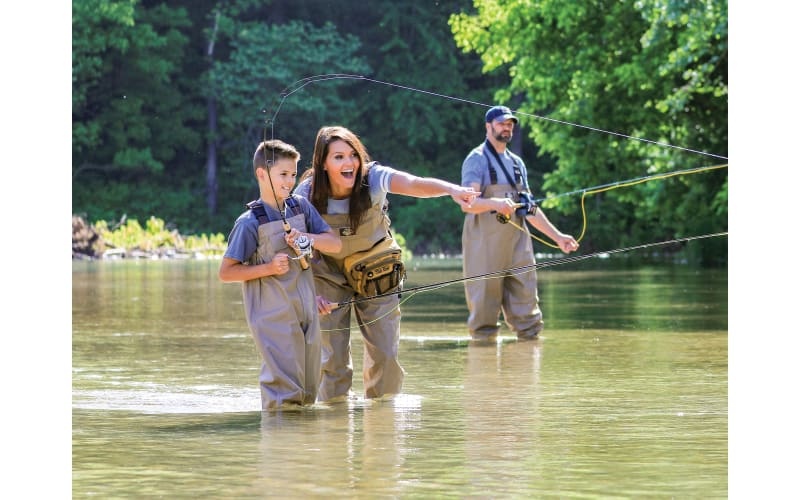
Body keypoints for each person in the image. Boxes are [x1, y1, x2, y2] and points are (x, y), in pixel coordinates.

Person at [295, 125, 478, 402]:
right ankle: (334, 419)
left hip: (376, 270)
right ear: (322, 163)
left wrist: (451, 189)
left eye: (353, 155)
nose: (349, 163)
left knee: (386, 356)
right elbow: (293, 245)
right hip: (325, 275)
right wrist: (311, 293)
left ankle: (382, 419)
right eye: (339, 157)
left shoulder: (374, 177)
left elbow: (414, 184)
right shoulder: (305, 194)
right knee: (331, 363)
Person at [219, 139, 342, 410]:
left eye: (293, 174)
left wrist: (307, 238)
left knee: (309, 391)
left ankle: (300, 438)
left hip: (307, 311)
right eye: (283, 174)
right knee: (285, 395)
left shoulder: (301, 207)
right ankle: (279, 434)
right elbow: (226, 272)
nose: (290, 181)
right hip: (272, 317)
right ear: (262, 174)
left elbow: (334, 244)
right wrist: (269, 268)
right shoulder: (248, 223)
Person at [460, 105, 579, 342]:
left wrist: (558, 237)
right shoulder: (476, 159)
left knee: (529, 317)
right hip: (484, 246)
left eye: (510, 124)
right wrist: (495, 203)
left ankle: (528, 361)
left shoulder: (517, 163)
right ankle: (483, 361)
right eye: (502, 123)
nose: (507, 128)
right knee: (483, 318)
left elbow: (530, 209)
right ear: (488, 126)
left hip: (518, 246)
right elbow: (467, 204)